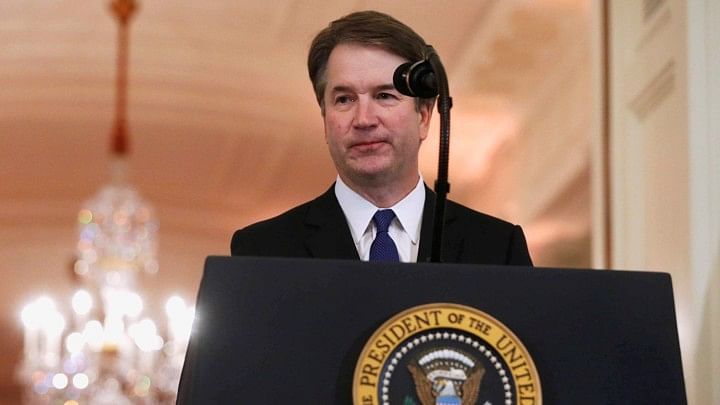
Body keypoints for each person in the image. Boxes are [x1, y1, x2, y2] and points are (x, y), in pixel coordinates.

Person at [230, 10, 532, 266]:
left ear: (424, 117)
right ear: (325, 119)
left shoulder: (497, 249)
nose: (363, 120)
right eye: (344, 99)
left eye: (385, 95)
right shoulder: (262, 251)